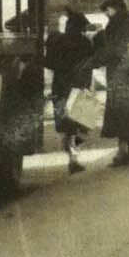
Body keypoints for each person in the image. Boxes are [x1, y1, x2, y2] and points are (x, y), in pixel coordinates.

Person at [89, 0, 129, 166]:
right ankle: (127, 149)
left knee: (120, 114)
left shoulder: (120, 25)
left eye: (107, 10)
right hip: (124, 74)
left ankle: (124, 152)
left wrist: (98, 59)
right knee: (123, 116)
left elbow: (115, 49)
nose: (106, 14)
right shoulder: (122, 24)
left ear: (115, 9)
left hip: (121, 75)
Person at [46, 9, 93, 173]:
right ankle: (74, 157)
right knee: (81, 126)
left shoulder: (57, 42)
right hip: (79, 88)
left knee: (66, 127)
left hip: (60, 87)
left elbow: (49, 63)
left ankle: (70, 156)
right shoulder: (85, 43)